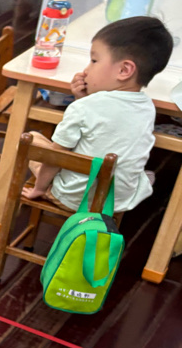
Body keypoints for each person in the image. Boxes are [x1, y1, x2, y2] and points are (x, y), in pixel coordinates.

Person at [21, 16, 173, 212]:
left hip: (76, 200)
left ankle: (49, 190)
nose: (86, 69)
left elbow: (55, 157)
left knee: (32, 139)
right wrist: (83, 99)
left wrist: (39, 189)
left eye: (94, 60)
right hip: (115, 203)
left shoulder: (84, 108)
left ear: (124, 70)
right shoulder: (147, 108)